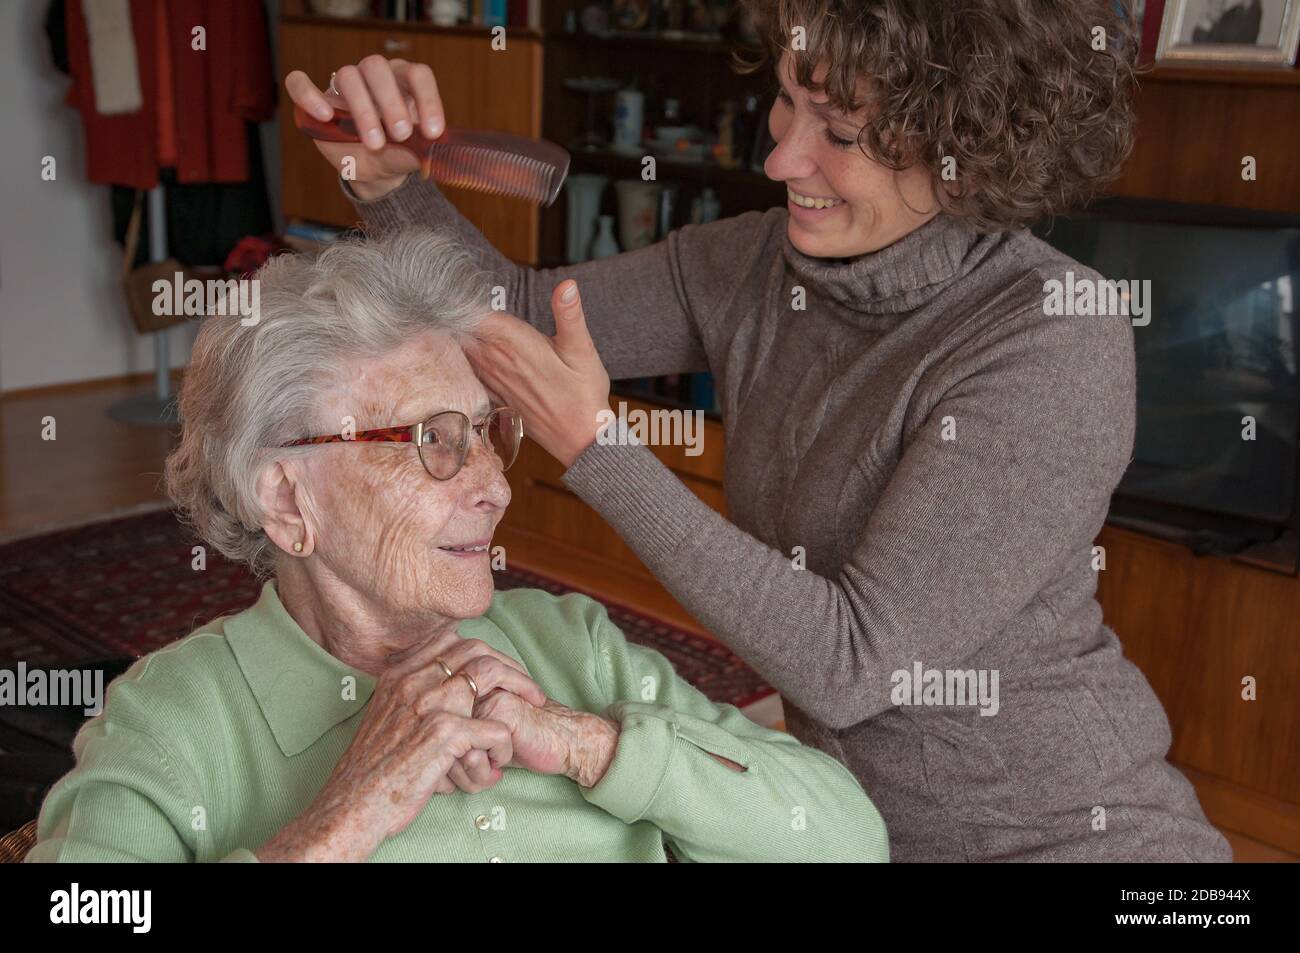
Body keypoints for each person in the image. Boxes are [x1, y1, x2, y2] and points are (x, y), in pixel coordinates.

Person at [286, 0, 1232, 862]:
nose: (781, 158)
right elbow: (524, 318)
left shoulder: (1054, 335)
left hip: (1065, 837)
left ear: (970, 154)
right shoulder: (751, 264)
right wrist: (386, 184)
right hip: (839, 827)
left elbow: (854, 663)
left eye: (844, 134)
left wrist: (599, 450)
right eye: (788, 101)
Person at [27, 228, 888, 863]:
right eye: (433, 440)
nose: (497, 484)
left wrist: (597, 746)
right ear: (288, 498)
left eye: (487, 431)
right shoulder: (172, 722)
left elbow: (850, 839)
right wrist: (344, 820)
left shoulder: (570, 648)